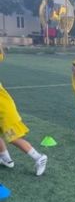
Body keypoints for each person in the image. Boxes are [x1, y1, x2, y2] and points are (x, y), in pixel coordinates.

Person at [0, 46, 48, 176]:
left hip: (3, 110)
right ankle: (6, 159)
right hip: (3, 107)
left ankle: (39, 157)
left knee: (13, 137)